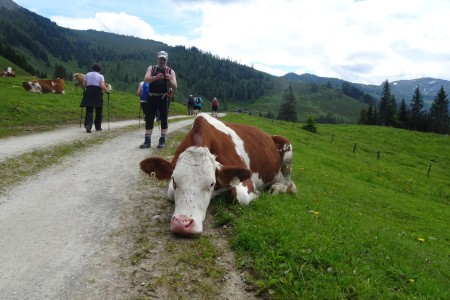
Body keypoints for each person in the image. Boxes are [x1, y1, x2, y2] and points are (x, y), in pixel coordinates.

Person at [140, 50, 177, 148]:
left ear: (166, 60)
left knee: (164, 118)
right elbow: (146, 80)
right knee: (149, 118)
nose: (162, 61)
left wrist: (169, 79)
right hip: (151, 97)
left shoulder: (170, 71)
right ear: (158, 59)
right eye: (160, 59)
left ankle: (162, 140)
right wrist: (156, 77)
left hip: (164, 98)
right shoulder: (151, 68)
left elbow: (175, 86)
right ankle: (147, 141)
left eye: (164, 59)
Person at [80, 63, 110, 133]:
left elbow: (84, 85)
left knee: (89, 110)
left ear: (92, 68)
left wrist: (86, 87)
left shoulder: (87, 74)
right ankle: (98, 127)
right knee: (98, 110)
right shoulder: (101, 76)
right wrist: (107, 90)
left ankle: (88, 125)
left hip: (89, 91)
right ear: (99, 69)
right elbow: (102, 85)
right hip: (97, 93)